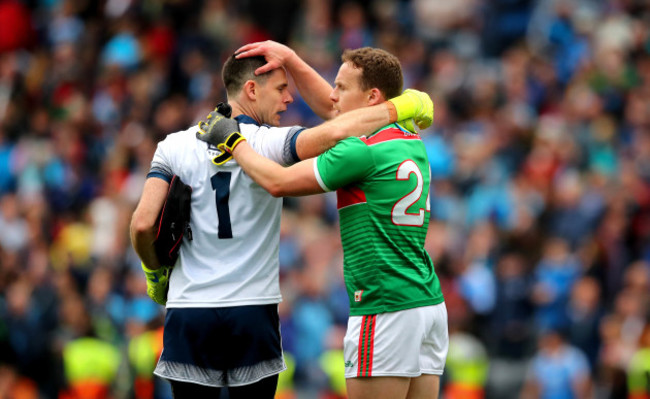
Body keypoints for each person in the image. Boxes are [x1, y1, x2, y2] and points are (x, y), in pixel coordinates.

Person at [129, 46, 434, 398]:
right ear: (251, 91)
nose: (289, 99)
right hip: (252, 311)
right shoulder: (270, 141)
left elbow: (142, 224)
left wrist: (154, 273)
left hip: (188, 309)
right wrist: (405, 105)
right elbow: (336, 131)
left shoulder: (174, 145)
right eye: (280, 89)